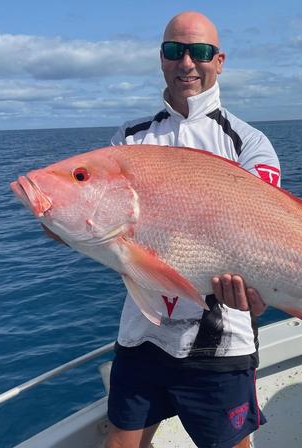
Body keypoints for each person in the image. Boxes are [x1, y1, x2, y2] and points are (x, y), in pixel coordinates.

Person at [105, 11, 281, 448]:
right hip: (141, 335)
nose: (187, 62)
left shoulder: (249, 143)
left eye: (200, 52)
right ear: (161, 59)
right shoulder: (128, 141)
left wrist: (263, 294)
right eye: (174, 50)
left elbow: (263, 234)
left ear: (219, 61)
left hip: (220, 345)